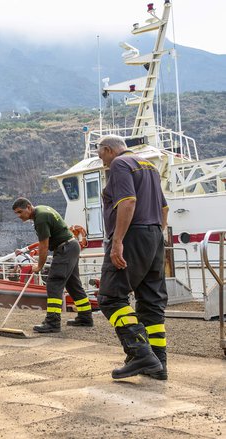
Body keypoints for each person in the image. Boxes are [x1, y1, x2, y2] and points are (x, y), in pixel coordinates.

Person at [96, 135, 169, 380]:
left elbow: (127, 201)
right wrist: (157, 237)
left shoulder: (120, 164)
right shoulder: (149, 166)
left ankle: (140, 353)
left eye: (101, 157)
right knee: (151, 302)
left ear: (108, 150)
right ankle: (158, 364)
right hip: (155, 235)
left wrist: (118, 241)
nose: (104, 163)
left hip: (132, 234)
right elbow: (164, 208)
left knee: (110, 297)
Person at [12, 198, 93, 333]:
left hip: (65, 248)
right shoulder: (43, 209)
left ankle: (53, 322)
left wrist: (39, 266)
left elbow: (44, 245)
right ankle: (85, 317)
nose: (19, 216)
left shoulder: (40, 218)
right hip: (71, 246)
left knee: (54, 283)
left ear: (28, 207)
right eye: (17, 213)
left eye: (20, 212)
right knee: (73, 284)